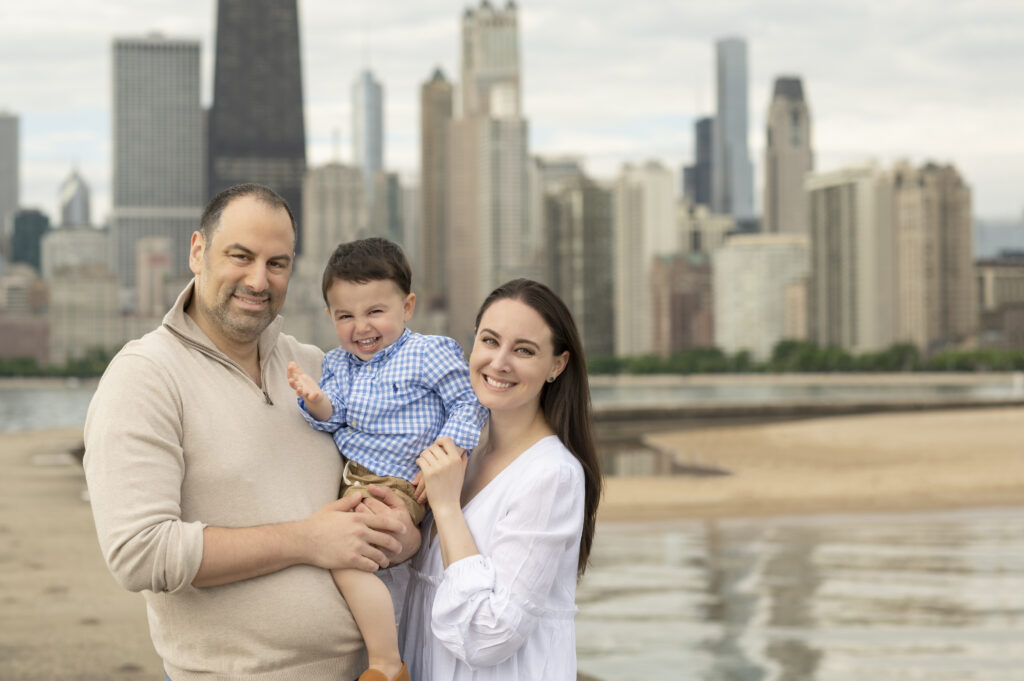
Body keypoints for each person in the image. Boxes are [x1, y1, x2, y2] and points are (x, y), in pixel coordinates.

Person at [83, 183, 420, 681]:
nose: (258, 280)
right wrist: (306, 540)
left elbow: (388, 461)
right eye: (240, 256)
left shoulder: (318, 367)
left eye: (277, 263)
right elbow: (140, 553)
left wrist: (404, 535)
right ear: (198, 252)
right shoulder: (145, 375)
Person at [286, 237, 487, 681]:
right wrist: (315, 399)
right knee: (347, 556)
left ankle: (385, 663)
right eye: (346, 316)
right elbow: (331, 418)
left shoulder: (430, 352)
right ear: (330, 317)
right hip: (353, 480)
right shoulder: (338, 365)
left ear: (407, 306)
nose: (362, 327)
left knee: (346, 554)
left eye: (375, 311)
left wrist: (444, 455)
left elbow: (468, 402)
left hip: (401, 481)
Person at [399, 278, 603, 680]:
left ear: (557, 365)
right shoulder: (460, 452)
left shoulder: (552, 475)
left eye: (524, 350)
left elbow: (488, 634)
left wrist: (445, 507)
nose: (500, 362)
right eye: (490, 341)